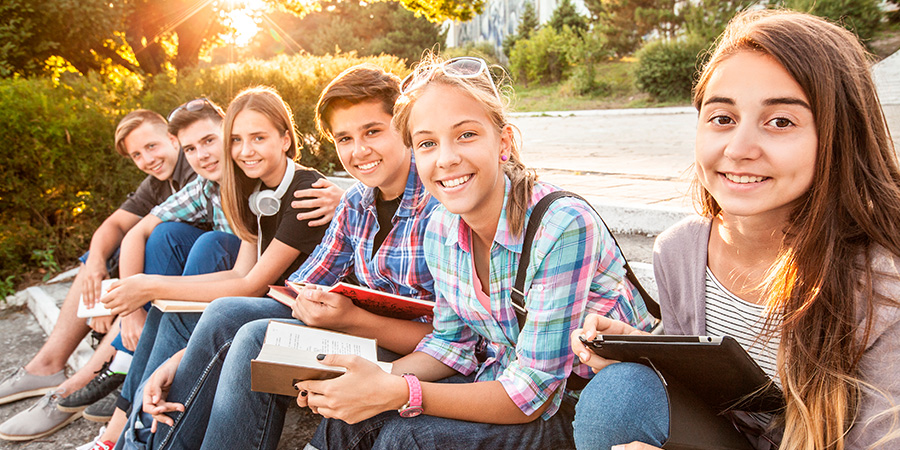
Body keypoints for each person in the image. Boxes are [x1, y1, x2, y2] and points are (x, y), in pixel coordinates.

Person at [569, 10, 900, 450]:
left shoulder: (883, 281)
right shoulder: (682, 251)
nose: (739, 149)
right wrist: (647, 348)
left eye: (780, 121)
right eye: (722, 118)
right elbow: (705, 384)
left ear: (840, 136)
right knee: (620, 393)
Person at [294, 54, 654, 450]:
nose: (446, 159)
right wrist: (366, 383)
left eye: (466, 135)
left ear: (503, 142)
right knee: (352, 418)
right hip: (501, 379)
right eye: (428, 143)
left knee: (409, 437)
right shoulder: (440, 229)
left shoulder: (561, 224)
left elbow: (533, 393)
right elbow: (453, 344)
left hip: (581, 405)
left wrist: (398, 391)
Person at [130, 64, 441, 450]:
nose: (359, 150)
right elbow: (298, 289)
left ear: (404, 126)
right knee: (226, 313)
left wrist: (352, 318)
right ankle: (147, 442)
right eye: (345, 138)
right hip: (356, 329)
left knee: (255, 337)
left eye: (372, 131)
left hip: (418, 353)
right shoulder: (355, 203)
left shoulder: (437, 204)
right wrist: (186, 356)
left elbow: (452, 340)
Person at [82, 86, 335, 449]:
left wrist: (151, 287)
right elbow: (238, 275)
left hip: (311, 316)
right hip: (272, 305)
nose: (245, 151)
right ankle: (132, 434)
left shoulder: (304, 190)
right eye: (237, 140)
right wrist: (152, 292)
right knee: (169, 311)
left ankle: (139, 442)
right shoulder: (253, 193)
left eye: (258, 137)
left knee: (219, 308)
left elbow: (250, 285)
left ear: (285, 138)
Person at [0, 110, 197, 442]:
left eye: (152, 146)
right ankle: (46, 365)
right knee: (96, 257)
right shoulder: (159, 181)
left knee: (160, 240)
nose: (147, 159)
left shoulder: (198, 172)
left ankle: (77, 384)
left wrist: (127, 307)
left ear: (172, 138)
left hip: (192, 279)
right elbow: (116, 225)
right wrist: (95, 266)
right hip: (159, 277)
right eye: (137, 154)